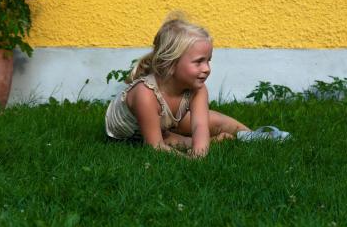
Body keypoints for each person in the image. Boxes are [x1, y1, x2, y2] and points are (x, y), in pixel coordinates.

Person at [105, 11, 253, 158]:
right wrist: (190, 160)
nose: (207, 69)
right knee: (168, 140)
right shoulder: (145, 94)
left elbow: (199, 126)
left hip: (165, 123)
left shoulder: (198, 89)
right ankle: (205, 140)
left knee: (214, 121)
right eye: (199, 61)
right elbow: (155, 146)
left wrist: (199, 154)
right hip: (132, 135)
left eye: (208, 60)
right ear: (170, 64)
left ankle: (253, 136)